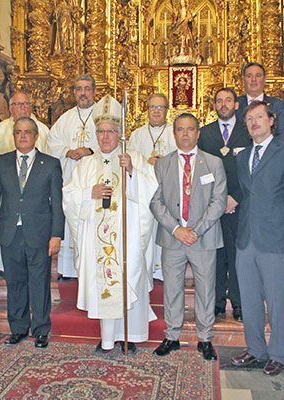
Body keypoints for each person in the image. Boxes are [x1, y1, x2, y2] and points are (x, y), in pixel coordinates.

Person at [63, 95, 158, 353]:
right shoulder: (85, 165)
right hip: (97, 240)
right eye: (101, 132)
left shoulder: (134, 158)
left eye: (111, 132)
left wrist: (131, 173)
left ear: (120, 134)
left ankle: (130, 335)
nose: (105, 137)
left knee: (127, 278)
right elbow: (68, 196)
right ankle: (106, 338)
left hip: (127, 237)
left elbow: (151, 192)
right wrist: (88, 194)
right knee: (104, 281)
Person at [230, 101, 284, 376]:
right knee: (249, 300)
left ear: (271, 120)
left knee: (276, 301)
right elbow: (247, 195)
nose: (254, 122)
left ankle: (278, 354)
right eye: (249, 119)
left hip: (275, 240)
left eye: (259, 117)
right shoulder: (242, 157)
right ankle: (255, 349)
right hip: (246, 239)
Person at [150, 113, 227, 361]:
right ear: (174, 134)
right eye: (180, 130)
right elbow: (156, 201)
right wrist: (176, 229)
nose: (185, 134)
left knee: (206, 289)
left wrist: (196, 230)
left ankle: (205, 338)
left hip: (203, 238)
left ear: (198, 133)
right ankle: (172, 336)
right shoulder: (162, 164)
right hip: (173, 238)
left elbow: (219, 201)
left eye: (190, 129)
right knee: (172, 289)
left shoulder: (213, 163)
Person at [0, 117, 64, 348]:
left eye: (28, 132)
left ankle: (40, 330)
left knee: (39, 282)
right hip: (10, 233)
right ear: (14, 135)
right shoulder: (2, 162)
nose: (23, 136)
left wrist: (56, 234)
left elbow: (57, 203)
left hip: (39, 233)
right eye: (18, 132)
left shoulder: (50, 164)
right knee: (15, 283)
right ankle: (18, 328)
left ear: (36, 136)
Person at [198, 87, 251, 322]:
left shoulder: (247, 130)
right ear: (214, 105)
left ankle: (239, 303)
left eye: (228, 100)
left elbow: (251, 169)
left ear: (236, 104)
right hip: (214, 206)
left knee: (239, 256)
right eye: (219, 101)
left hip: (240, 203)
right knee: (216, 256)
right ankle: (217, 303)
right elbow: (202, 171)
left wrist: (235, 197)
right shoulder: (205, 133)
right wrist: (219, 200)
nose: (224, 104)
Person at [0, 92, 50, 277]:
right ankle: (5, 267)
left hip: (34, 198)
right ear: (10, 108)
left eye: (25, 103)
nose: (22, 108)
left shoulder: (42, 131)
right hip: (7, 193)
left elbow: (50, 162)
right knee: (6, 230)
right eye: (17, 104)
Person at [49, 74, 99, 279]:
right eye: (78, 89)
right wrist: (68, 152)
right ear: (74, 93)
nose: (83, 93)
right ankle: (70, 270)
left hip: (95, 177)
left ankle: (94, 266)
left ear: (94, 92)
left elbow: (114, 142)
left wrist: (89, 150)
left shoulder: (104, 115)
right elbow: (52, 143)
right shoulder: (66, 118)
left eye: (87, 89)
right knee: (70, 216)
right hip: (71, 177)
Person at [128, 93, 176, 283]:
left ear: (167, 110)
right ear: (146, 110)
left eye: (160, 107)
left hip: (168, 190)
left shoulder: (174, 132)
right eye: (153, 107)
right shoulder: (137, 135)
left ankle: (164, 270)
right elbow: (128, 161)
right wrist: (144, 163)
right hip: (144, 194)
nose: (156, 111)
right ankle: (147, 269)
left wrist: (164, 163)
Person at [236, 62, 284, 143]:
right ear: (243, 80)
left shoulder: (277, 105)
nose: (253, 80)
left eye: (258, 75)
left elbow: (283, 136)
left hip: (271, 153)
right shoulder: (235, 104)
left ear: (264, 79)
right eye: (249, 76)